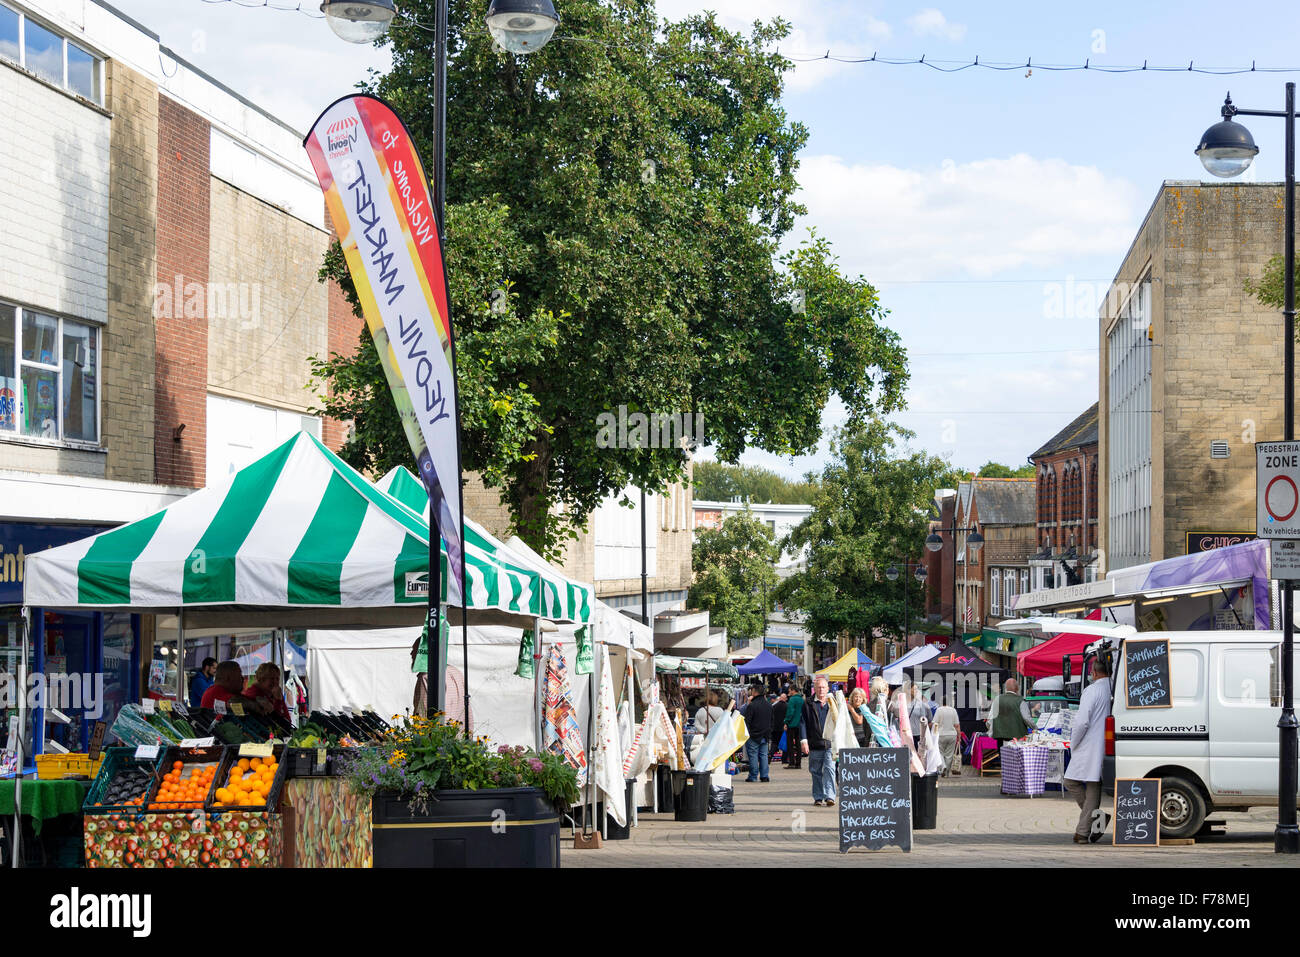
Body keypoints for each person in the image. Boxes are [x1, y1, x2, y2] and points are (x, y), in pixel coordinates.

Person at [1065, 657, 1113, 844]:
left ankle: (1087, 828)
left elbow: (1082, 721)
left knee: (1071, 781)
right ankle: (1094, 823)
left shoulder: (1092, 690)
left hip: (1089, 743)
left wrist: (1073, 742)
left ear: (1093, 672)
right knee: (1093, 785)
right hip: (1105, 743)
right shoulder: (1113, 688)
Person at [799, 675, 836, 806]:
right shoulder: (808, 703)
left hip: (830, 743)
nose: (821, 690)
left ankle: (830, 796)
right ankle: (818, 797)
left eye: (823, 687)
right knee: (815, 771)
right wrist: (804, 741)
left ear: (828, 688)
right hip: (815, 743)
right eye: (819, 687)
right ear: (814, 688)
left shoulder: (834, 702)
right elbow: (802, 722)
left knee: (830, 769)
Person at [989, 677, 1035, 746]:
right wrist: (1035, 728)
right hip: (1017, 738)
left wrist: (992, 731)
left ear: (1005, 689)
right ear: (1017, 689)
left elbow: (990, 718)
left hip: (1000, 737)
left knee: (1002, 755)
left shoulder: (997, 699)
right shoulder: (1020, 701)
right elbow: (1027, 718)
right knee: (1016, 756)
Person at [743, 685, 773, 782]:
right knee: (763, 755)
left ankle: (753, 776)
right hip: (765, 735)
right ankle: (764, 776)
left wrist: (747, 733)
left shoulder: (752, 705)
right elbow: (772, 720)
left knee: (753, 756)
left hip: (753, 735)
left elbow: (747, 721)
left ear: (755, 692)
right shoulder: (769, 705)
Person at [933, 695, 961, 776]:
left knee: (940, 752)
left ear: (941, 702)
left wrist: (934, 735)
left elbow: (935, 723)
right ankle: (947, 773)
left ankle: (943, 767)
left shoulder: (939, 710)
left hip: (941, 734)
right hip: (952, 735)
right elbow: (957, 725)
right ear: (949, 702)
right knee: (949, 755)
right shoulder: (953, 710)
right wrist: (959, 736)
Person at [784, 683, 804, 769]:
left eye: (789, 690)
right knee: (798, 744)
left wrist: (786, 722)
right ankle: (798, 763)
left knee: (790, 744)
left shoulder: (792, 699)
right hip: (800, 724)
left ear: (793, 690)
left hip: (792, 724)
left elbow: (790, 712)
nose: (789, 691)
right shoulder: (802, 699)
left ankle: (792, 762)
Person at [770, 689, 788, 765]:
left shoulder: (774, 706)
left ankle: (770, 755)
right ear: (785, 699)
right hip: (783, 728)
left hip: (774, 728)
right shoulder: (787, 706)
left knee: (774, 743)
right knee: (785, 743)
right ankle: (784, 759)